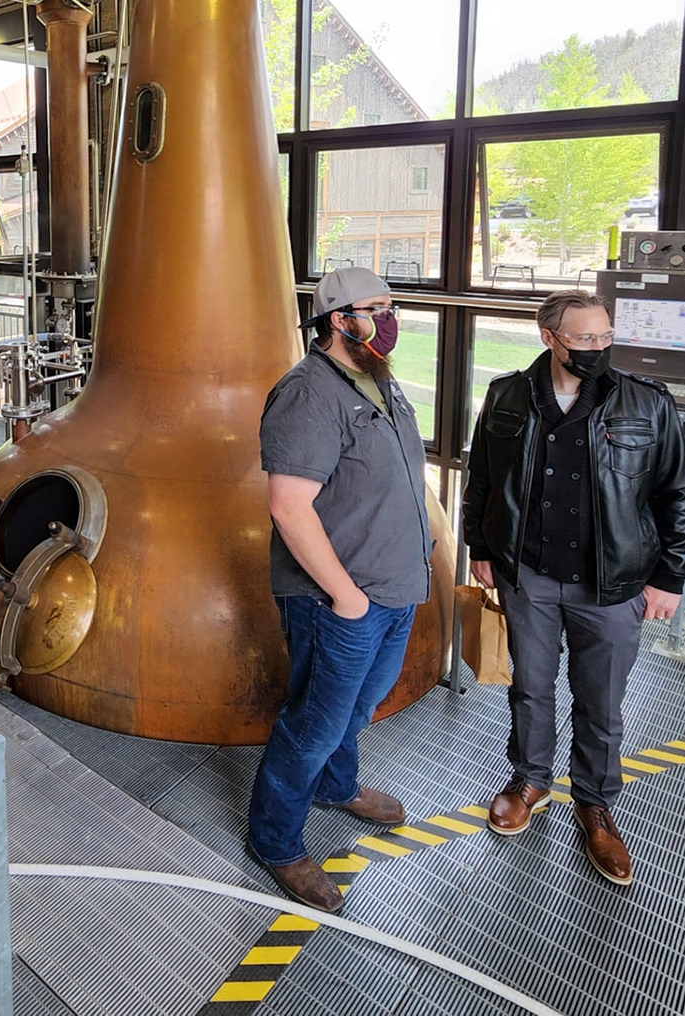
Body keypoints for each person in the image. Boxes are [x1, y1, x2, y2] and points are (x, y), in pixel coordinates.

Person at [462, 289, 685, 887]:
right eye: (584, 338)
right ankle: (531, 781)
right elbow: (483, 479)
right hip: (529, 577)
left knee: (601, 701)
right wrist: (482, 549)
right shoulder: (506, 396)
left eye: (604, 336)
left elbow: (677, 494)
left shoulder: (646, 403)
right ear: (550, 338)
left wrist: (670, 576)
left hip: (611, 585)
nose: (597, 348)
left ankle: (595, 804)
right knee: (531, 689)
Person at [247, 267, 433, 915]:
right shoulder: (307, 394)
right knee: (315, 723)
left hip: (393, 587)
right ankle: (274, 840)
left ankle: (337, 785)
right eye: (376, 308)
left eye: (392, 306)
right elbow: (289, 506)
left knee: (359, 705)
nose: (390, 318)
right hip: (339, 601)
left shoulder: (377, 379)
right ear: (338, 320)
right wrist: (347, 598)